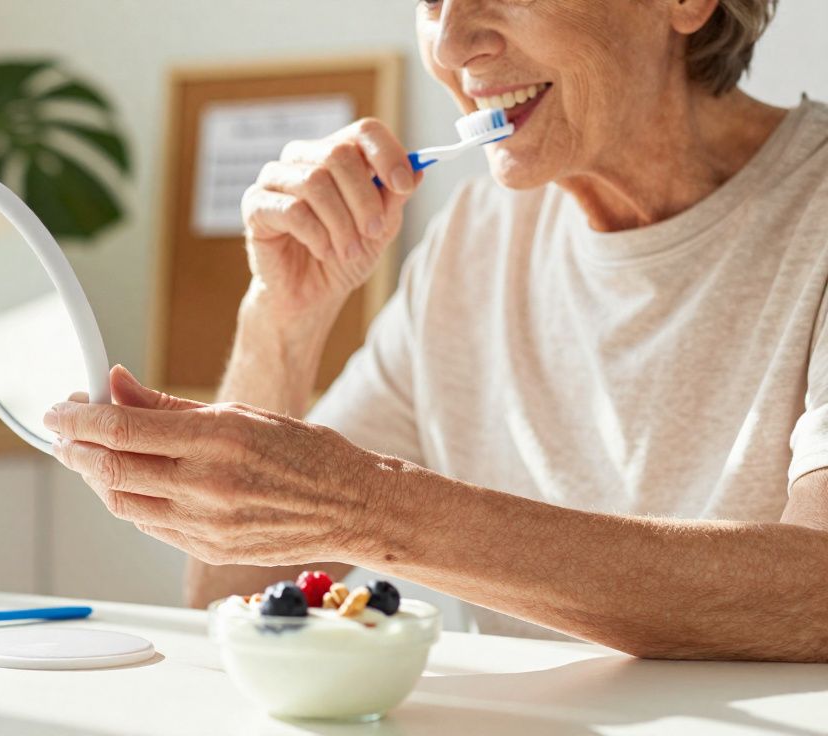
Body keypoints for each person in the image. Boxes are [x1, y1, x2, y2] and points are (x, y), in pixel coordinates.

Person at [46, 0, 828, 661]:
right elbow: (235, 591)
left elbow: (817, 590)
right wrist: (282, 316)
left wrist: (373, 509)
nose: (452, 46)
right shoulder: (474, 240)